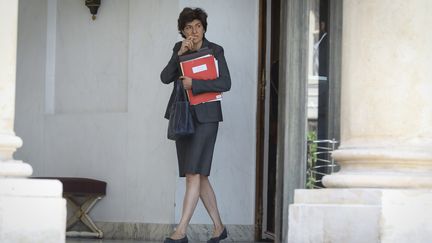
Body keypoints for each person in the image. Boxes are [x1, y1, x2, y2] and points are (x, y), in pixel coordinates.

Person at [160, 7, 231, 243]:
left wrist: (195, 84)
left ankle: (180, 231)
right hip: (183, 117)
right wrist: (179, 54)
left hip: (207, 118)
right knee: (198, 175)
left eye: (198, 26)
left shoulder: (215, 50)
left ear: (204, 28)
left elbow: (225, 83)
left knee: (193, 173)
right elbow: (165, 77)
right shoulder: (178, 49)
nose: (194, 31)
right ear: (182, 31)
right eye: (189, 27)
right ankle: (219, 228)